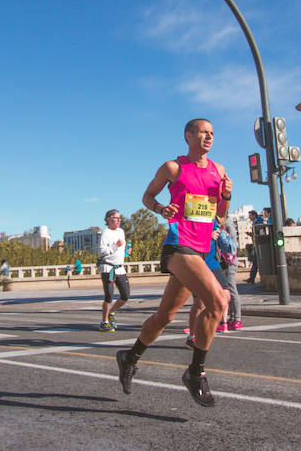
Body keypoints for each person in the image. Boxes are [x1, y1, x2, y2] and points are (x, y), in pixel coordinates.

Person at [116, 118, 232, 407]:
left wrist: (226, 196)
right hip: (179, 244)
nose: (209, 137)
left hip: (203, 247)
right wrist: (160, 208)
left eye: (212, 134)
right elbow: (147, 196)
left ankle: (129, 358)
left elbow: (220, 214)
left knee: (165, 316)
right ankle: (195, 373)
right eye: (203, 132)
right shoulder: (173, 168)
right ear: (188, 135)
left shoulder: (219, 171)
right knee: (219, 302)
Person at [97, 209, 129, 332]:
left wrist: (126, 252)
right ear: (109, 220)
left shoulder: (121, 231)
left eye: (119, 218)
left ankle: (112, 312)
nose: (119, 220)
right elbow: (101, 252)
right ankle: (104, 322)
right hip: (108, 267)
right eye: (116, 218)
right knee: (109, 295)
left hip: (120, 267)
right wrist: (115, 246)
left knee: (125, 295)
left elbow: (121, 249)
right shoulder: (105, 233)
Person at [243, 210, 259, 283]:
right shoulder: (255, 222)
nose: (249, 217)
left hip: (258, 245)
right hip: (256, 244)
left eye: (250, 215)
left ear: (253, 215)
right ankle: (251, 278)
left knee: (255, 262)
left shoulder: (258, 222)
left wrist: (251, 234)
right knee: (255, 262)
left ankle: (252, 278)